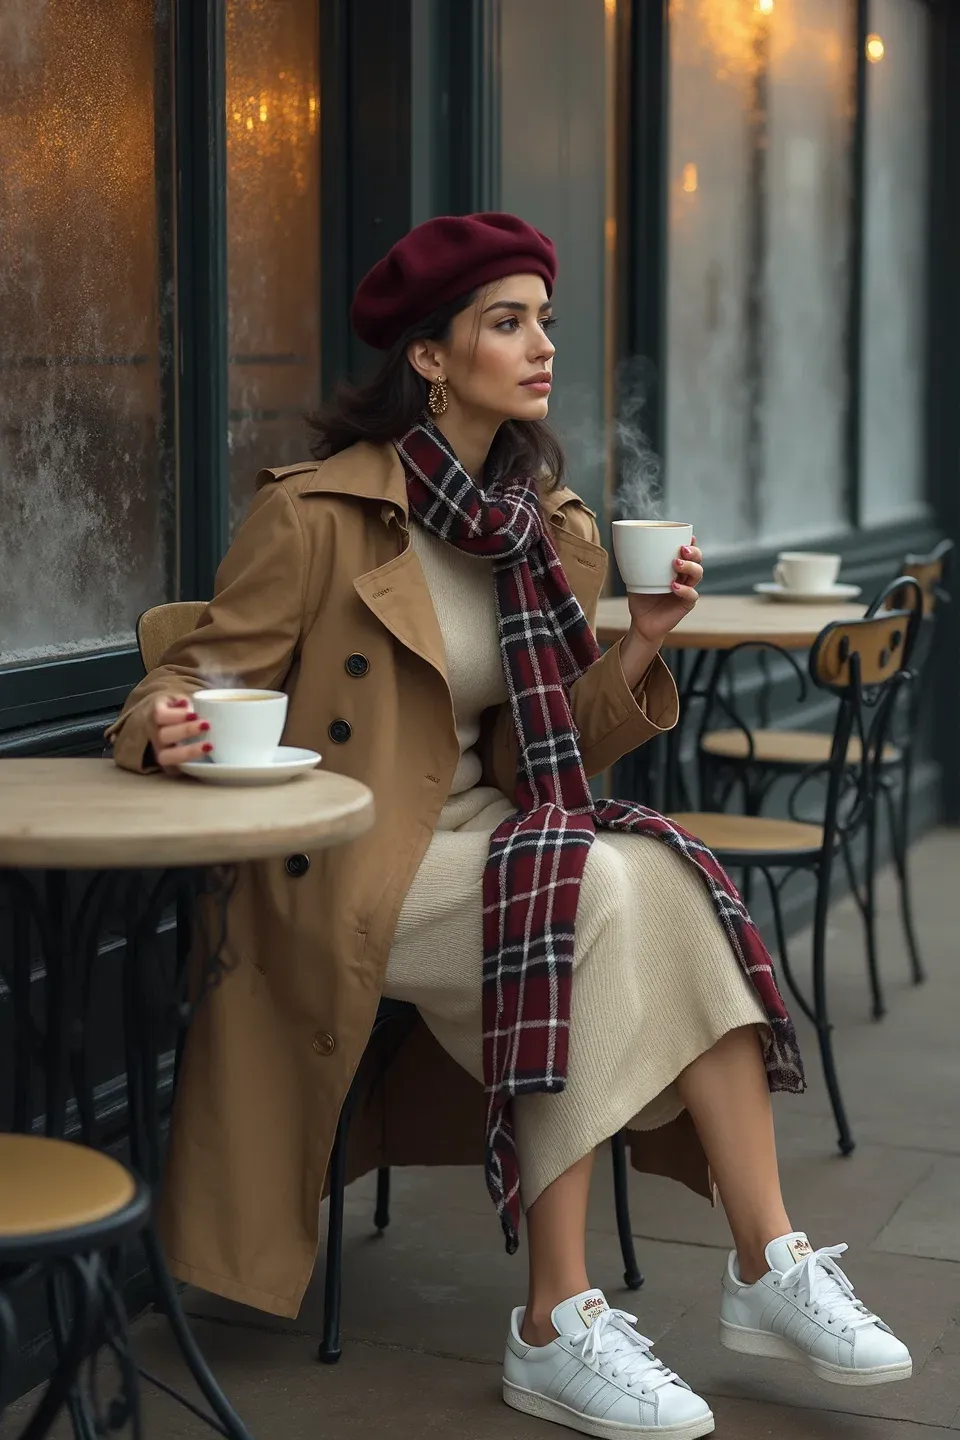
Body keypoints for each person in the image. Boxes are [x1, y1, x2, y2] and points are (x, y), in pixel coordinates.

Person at [109, 213, 911, 1439]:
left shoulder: (534, 523)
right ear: (430, 357)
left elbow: (545, 745)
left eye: (544, 319)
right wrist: (161, 724)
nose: (541, 345)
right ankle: (566, 1317)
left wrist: (640, 642)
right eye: (507, 321)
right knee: (593, 884)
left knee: (655, 874)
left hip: (492, 837)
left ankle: (753, 1262)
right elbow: (194, 672)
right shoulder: (319, 516)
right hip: (348, 861)